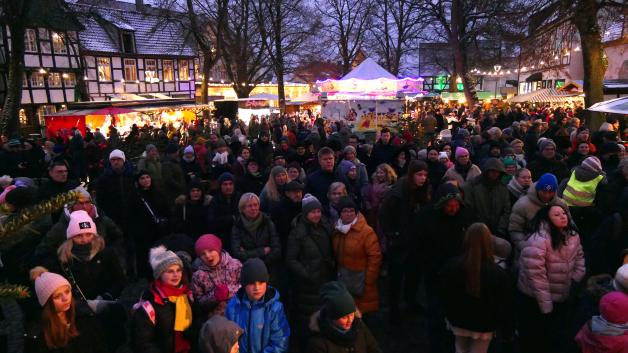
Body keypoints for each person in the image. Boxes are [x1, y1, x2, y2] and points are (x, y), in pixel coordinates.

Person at [49, 210, 127, 352]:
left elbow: (120, 280)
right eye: (79, 235)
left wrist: (104, 298)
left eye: (88, 234)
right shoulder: (62, 260)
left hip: (105, 310)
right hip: (78, 316)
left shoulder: (106, 253)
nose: (85, 239)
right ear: (71, 237)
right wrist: (80, 306)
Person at [517, 204, 585, 353]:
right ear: (547, 219)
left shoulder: (572, 235)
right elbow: (536, 276)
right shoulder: (538, 240)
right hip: (535, 300)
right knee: (535, 337)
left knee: (553, 337)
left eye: (563, 213)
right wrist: (547, 306)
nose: (562, 216)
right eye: (556, 215)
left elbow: (580, 259)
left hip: (560, 297)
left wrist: (574, 279)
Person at [439, 223, 513, 353]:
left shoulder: (451, 266)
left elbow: (444, 295)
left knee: (460, 349)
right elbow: (504, 305)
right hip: (484, 324)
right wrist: (507, 331)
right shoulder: (498, 273)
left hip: (458, 319)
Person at [379, 160, 432, 322]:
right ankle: (393, 309)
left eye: (424, 174)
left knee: (413, 276)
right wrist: (393, 235)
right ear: (411, 175)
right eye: (419, 174)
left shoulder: (424, 191)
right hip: (400, 243)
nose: (422, 178)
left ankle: (411, 302)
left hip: (416, 242)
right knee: (396, 278)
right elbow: (384, 215)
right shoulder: (398, 192)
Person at [285, 194, 335, 349]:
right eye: (312, 212)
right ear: (306, 214)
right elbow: (291, 259)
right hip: (307, 283)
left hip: (325, 277)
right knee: (306, 315)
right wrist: (306, 274)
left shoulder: (326, 227)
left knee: (323, 312)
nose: (316, 215)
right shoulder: (298, 233)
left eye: (318, 211)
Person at [131, 246, 195, 353]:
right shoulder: (149, 305)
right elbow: (142, 343)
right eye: (170, 271)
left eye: (178, 270)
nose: (176, 275)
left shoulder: (187, 296)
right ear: (160, 274)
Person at [29, 268, 107, 353]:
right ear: (47, 303)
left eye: (67, 291)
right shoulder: (43, 334)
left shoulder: (84, 314)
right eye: (57, 296)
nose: (65, 298)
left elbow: (100, 345)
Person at [225, 258, 290, 353]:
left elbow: (280, 342)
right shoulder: (233, 307)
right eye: (251, 283)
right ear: (244, 284)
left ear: (267, 282)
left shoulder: (275, 308)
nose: (257, 287)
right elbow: (227, 339)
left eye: (261, 282)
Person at [332, 197, 382, 315]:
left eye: (351, 211)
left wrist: (368, 280)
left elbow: (375, 258)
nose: (349, 214)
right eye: (345, 211)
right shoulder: (336, 230)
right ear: (340, 214)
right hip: (344, 280)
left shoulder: (366, 232)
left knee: (363, 317)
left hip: (361, 283)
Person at [305, 281, 382, 353]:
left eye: (352, 314)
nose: (350, 320)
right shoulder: (318, 342)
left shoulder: (359, 326)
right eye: (344, 317)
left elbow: (374, 349)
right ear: (332, 317)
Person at [509, 173, 568, 255]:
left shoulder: (561, 204)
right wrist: (526, 247)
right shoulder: (522, 205)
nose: (546, 195)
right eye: (543, 191)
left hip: (556, 253)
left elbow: (569, 226)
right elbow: (515, 230)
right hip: (530, 253)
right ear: (537, 189)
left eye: (550, 192)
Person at [230, 193, 281, 283]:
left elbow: (276, 250)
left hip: (270, 269)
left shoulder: (268, 222)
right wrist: (263, 251)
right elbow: (237, 254)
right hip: (248, 271)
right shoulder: (237, 226)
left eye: (256, 205)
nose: (254, 208)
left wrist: (249, 254)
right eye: (250, 206)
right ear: (243, 209)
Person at [191, 234, 242, 317]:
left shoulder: (235, 265)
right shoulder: (198, 276)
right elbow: (199, 303)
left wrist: (229, 291)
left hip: (239, 312)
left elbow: (245, 286)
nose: (207, 256)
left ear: (218, 250)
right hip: (216, 318)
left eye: (210, 251)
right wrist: (214, 296)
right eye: (203, 254)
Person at [462, 158, 511, 237]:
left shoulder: (502, 188)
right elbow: (468, 209)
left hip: (496, 231)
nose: (495, 174)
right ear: (486, 171)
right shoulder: (472, 186)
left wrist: (500, 230)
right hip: (476, 231)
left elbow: (506, 210)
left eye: (498, 172)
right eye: (492, 171)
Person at [207, 172, 241, 250]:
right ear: (220, 186)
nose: (228, 187)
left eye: (230, 184)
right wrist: (231, 218)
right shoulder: (215, 201)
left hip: (239, 236)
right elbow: (212, 222)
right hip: (222, 237)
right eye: (225, 184)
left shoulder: (240, 198)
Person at [364, 164, 396, 245]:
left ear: (387, 173)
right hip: (372, 214)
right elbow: (367, 198)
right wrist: (369, 207)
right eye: (378, 173)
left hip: (385, 215)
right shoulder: (372, 185)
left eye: (382, 173)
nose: (379, 175)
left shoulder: (391, 187)